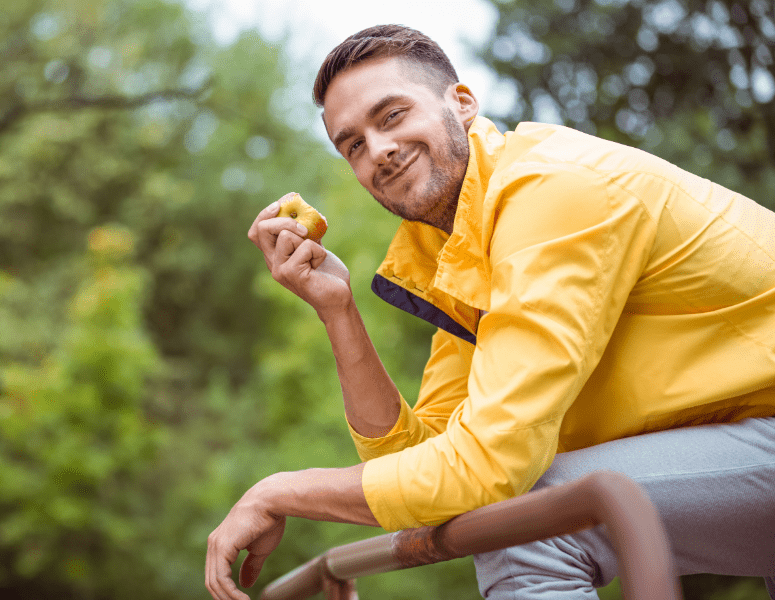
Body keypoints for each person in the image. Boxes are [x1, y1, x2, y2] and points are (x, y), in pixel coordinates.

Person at [205, 24, 775, 600]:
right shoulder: (467, 249)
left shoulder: (552, 192)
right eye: (352, 144)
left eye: (393, 115)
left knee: (530, 519)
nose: (378, 150)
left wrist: (277, 491)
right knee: (516, 510)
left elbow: (487, 468)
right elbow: (422, 468)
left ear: (464, 103)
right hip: (748, 442)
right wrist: (337, 309)